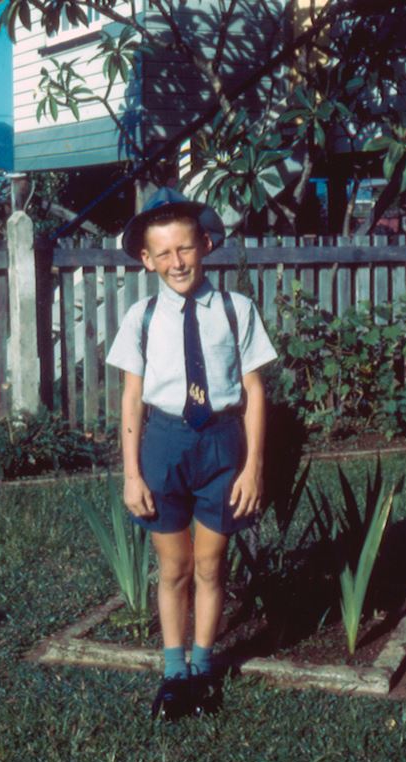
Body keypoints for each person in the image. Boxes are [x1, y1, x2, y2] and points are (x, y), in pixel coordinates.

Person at [106, 187, 277, 720]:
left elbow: (254, 392)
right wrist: (132, 474)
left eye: (185, 248)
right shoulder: (141, 317)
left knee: (211, 564)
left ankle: (204, 666)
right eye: (164, 253)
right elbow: (132, 398)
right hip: (165, 444)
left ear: (205, 244)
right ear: (146, 259)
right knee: (174, 567)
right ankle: (173, 671)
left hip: (223, 445)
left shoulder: (236, 310)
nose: (176, 262)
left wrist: (253, 466)